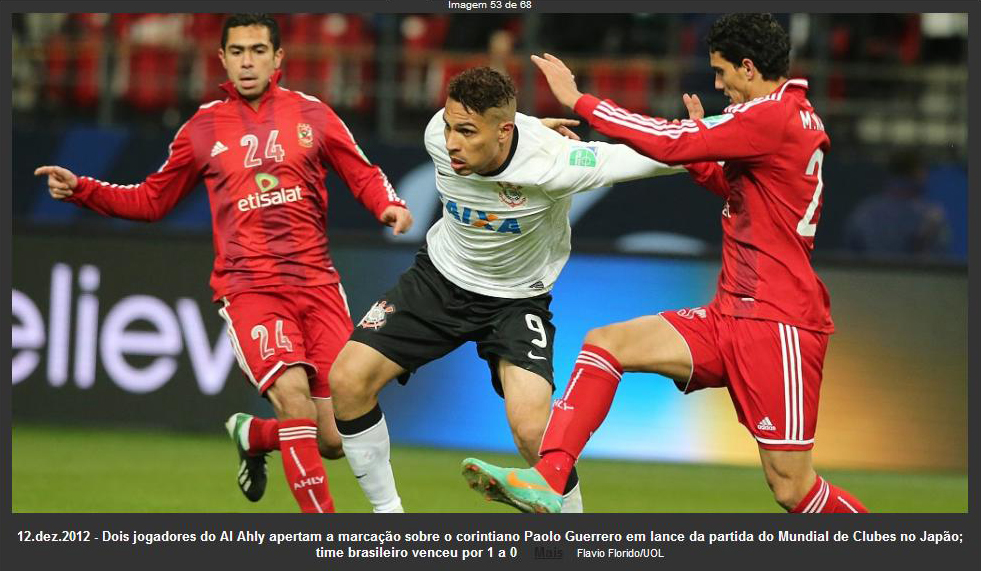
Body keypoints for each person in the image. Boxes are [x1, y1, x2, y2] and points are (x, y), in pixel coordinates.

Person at [463, 13, 870, 514]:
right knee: (606, 344)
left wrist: (581, 102)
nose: (718, 85)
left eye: (721, 73)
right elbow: (742, 191)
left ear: (747, 67)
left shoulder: (771, 115)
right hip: (731, 315)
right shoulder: (787, 116)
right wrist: (703, 155)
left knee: (792, 488)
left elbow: (669, 140)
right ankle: (549, 479)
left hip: (777, 322)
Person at [34, 13, 412, 514]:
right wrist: (83, 189)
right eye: (237, 52)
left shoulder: (312, 114)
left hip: (318, 285)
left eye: (258, 50)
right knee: (294, 400)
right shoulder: (201, 128)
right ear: (222, 59)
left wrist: (388, 205)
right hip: (250, 287)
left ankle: (253, 434)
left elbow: (362, 172)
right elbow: (152, 200)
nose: (247, 61)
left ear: (279, 57)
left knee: (333, 440)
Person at [327, 66, 687, 513]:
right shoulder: (437, 137)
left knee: (535, 434)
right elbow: (486, 127)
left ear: (502, 132)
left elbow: (653, 158)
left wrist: (721, 136)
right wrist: (530, 124)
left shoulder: (554, 163)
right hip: (438, 280)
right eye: (450, 126)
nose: (453, 142)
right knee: (346, 380)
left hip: (516, 301)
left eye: (467, 131)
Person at [844, 149, 950, 258]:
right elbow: (936, 263)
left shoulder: (863, 213)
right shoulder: (931, 217)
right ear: (917, 173)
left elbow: (850, 259)